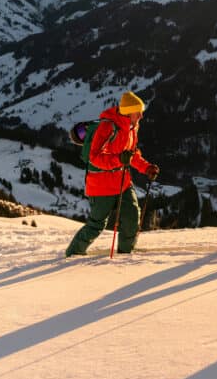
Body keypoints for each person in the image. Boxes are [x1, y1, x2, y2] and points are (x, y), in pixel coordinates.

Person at [66, 91, 160, 256]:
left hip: (122, 181)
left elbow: (131, 156)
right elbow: (94, 158)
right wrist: (119, 159)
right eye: (138, 112)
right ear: (128, 112)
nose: (141, 116)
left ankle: (126, 254)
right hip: (101, 185)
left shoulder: (132, 128)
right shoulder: (107, 127)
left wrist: (146, 168)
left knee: (132, 217)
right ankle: (72, 254)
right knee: (96, 225)